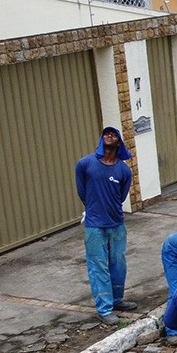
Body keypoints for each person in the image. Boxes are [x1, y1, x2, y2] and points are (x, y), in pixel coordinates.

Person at [75, 126, 134, 325]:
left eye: (113, 134)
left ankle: (117, 300)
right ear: (101, 139)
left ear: (119, 142)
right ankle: (104, 308)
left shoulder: (124, 170)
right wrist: (94, 208)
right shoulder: (85, 164)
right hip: (94, 225)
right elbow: (82, 192)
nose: (109, 136)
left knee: (118, 263)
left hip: (116, 223)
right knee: (98, 265)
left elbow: (122, 196)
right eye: (106, 133)